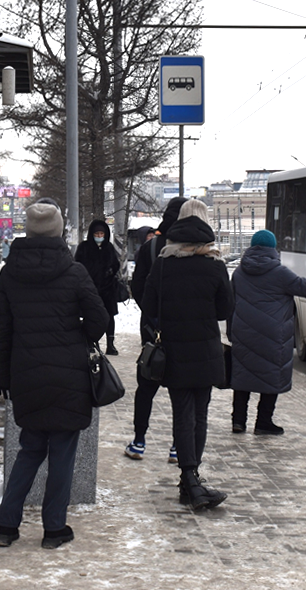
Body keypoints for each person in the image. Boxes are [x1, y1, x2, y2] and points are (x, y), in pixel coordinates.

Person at [0, 202, 109, 549]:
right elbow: (100, 320)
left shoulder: (9, 274)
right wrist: (77, 333)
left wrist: (5, 376)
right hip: (69, 377)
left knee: (29, 450)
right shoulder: (74, 272)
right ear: (58, 231)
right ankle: (54, 529)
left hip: (26, 375)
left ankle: (6, 526)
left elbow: (1, 330)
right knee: (62, 453)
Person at [142, 199, 233, 510]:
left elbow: (149, 307)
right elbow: (225, 309)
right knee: (201, 414)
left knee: (183, 415)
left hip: (175, 350)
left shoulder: (164, 265)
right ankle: (191, 480)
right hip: (206, 349)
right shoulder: (216, 266)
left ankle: (189, 480)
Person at [228, 230, 306, 435]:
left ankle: (238, 422)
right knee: (271, 376)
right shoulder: (280, 273)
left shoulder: (239, 273)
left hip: (244, 333)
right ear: (272, 248)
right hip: (273, 335)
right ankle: (263, 423)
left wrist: (233, 333)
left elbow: (231, 305)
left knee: (242, 377)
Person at [124, 197, 187, 463]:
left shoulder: (150, 248)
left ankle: (139, 441)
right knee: (180, 391)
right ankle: (176, 446)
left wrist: (151, 314)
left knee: (146, 385)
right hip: (183, 331)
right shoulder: (191, 248)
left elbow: (137, 287)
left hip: (153, 329)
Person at [74, 220, 121, 355]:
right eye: (97, 233)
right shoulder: (84, 248)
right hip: (89, 289)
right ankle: (90, 342)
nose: (99, 236)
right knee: (90, 316)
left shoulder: (109, 248)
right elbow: (78, 265)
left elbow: (115, 264)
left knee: (109, 316)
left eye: (102, 233)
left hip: (108, 289)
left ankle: (110, 344)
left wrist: (110, 272)